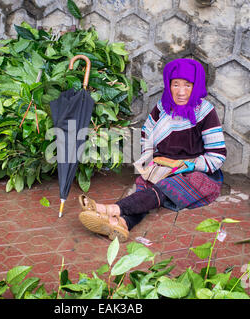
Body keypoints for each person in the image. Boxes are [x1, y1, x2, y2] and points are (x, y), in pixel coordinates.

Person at [78, 58, 227, 241]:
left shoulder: (205, 111)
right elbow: (147, 133)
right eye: (175, 84)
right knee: (147, 192)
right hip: (163, 168)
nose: (180, 92)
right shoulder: (163, 107)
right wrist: (149, 161)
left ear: (195, 86)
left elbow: (217, 156)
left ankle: (111, 210)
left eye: (188, 85)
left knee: (167, 187)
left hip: (195, 173)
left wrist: (186, 165)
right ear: (169, 84)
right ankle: (123, 224)